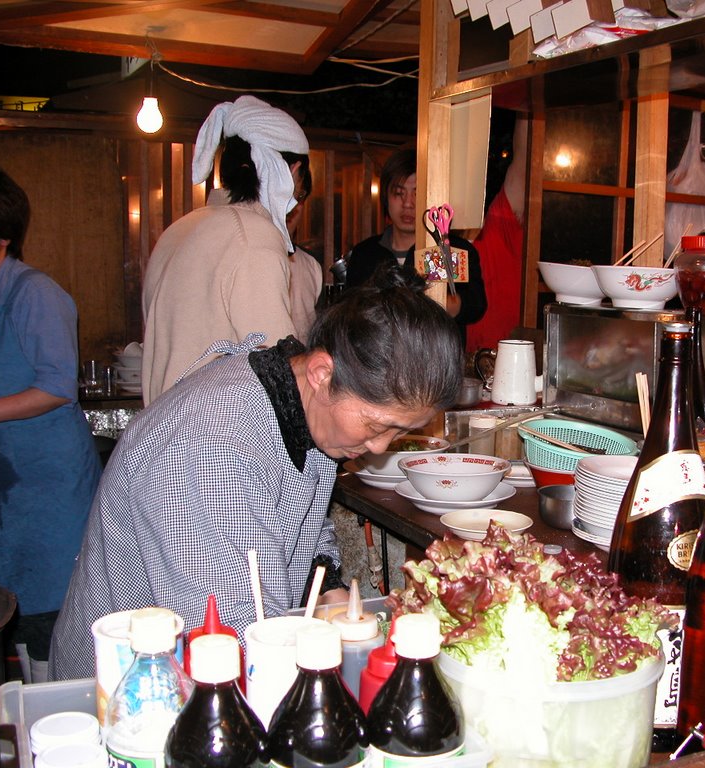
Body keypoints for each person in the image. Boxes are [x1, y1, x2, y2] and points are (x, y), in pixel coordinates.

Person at [49, 266, 463, 681]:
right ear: (323, 374)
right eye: (377, 426)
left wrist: (330, 596)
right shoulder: (212, 444)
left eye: (400, 431)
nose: (378, 447)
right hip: (125, 690)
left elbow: (293, 514)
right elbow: (227, 637)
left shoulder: (303, 406)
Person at [0, 166, 102, 666]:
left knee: (55, 612)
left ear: (4, 234)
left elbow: (57, 387)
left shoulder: (34, 294)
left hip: (46, 483)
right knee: (1, 604)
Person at [142, 94, 310, 404]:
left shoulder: (180, 228)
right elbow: (279, 369)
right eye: (300, 184)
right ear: (292, 171)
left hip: (164, 429)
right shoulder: (254, 236)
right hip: (210, 439)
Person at [346, 149, 486, 347]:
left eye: (417, 193)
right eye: (398, 193)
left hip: (436, 361)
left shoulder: (446, 249)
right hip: (377, 364)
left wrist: (447, 304)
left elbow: (476, 304)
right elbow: (349, 313)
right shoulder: (365, 253)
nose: (408, 204)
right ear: (386, 197)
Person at [465, 115, 527, 353]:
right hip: (456, 370)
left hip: (510, 361)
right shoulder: (431, 246)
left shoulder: (498, 228)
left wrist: (526, 104)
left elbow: (523, 162)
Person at [286, 162, 323, 344]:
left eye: (299, 197)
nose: (291, 206)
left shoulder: (311, 265)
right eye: (285, 195)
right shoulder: (246, 256)